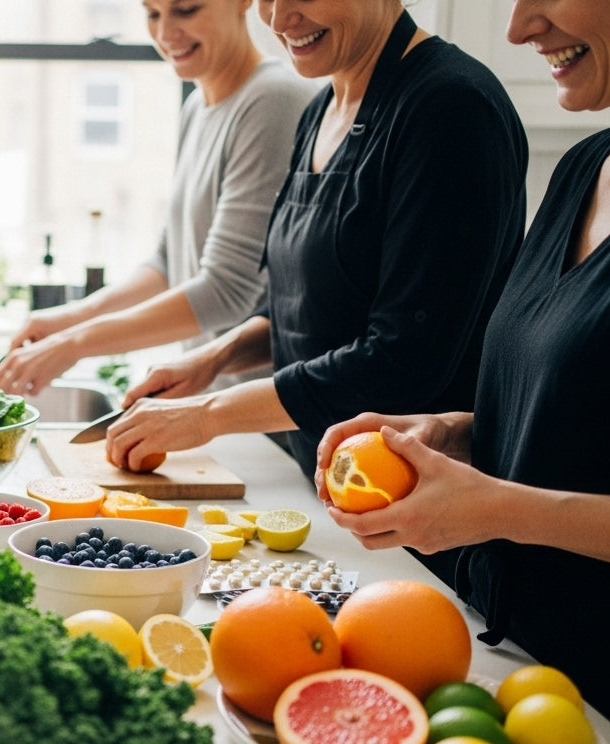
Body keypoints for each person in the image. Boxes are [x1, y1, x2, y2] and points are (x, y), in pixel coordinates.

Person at [316, 1, 610, 744]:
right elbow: (595, 416)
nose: (519, 28)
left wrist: (501, 510)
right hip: (519, 677)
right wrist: (453, 432)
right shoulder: (586, 167)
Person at [105, 0, 528, 478]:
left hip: (412, 505)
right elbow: (314, 306)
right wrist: (217, 357)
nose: (280, 19)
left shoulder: (451, 108)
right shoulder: (321, 110)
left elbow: (403, 359)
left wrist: (209, 415)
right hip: (328, 481)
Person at [0, 0, 316, 397]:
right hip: (213, 404)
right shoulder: (199, 105)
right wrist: (69, 320)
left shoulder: (272, 100)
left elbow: (226, 291)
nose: (165, 34)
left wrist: (74, 344)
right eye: (153, 14)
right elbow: (167, 263)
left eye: (186, 10)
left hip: (262, 416)